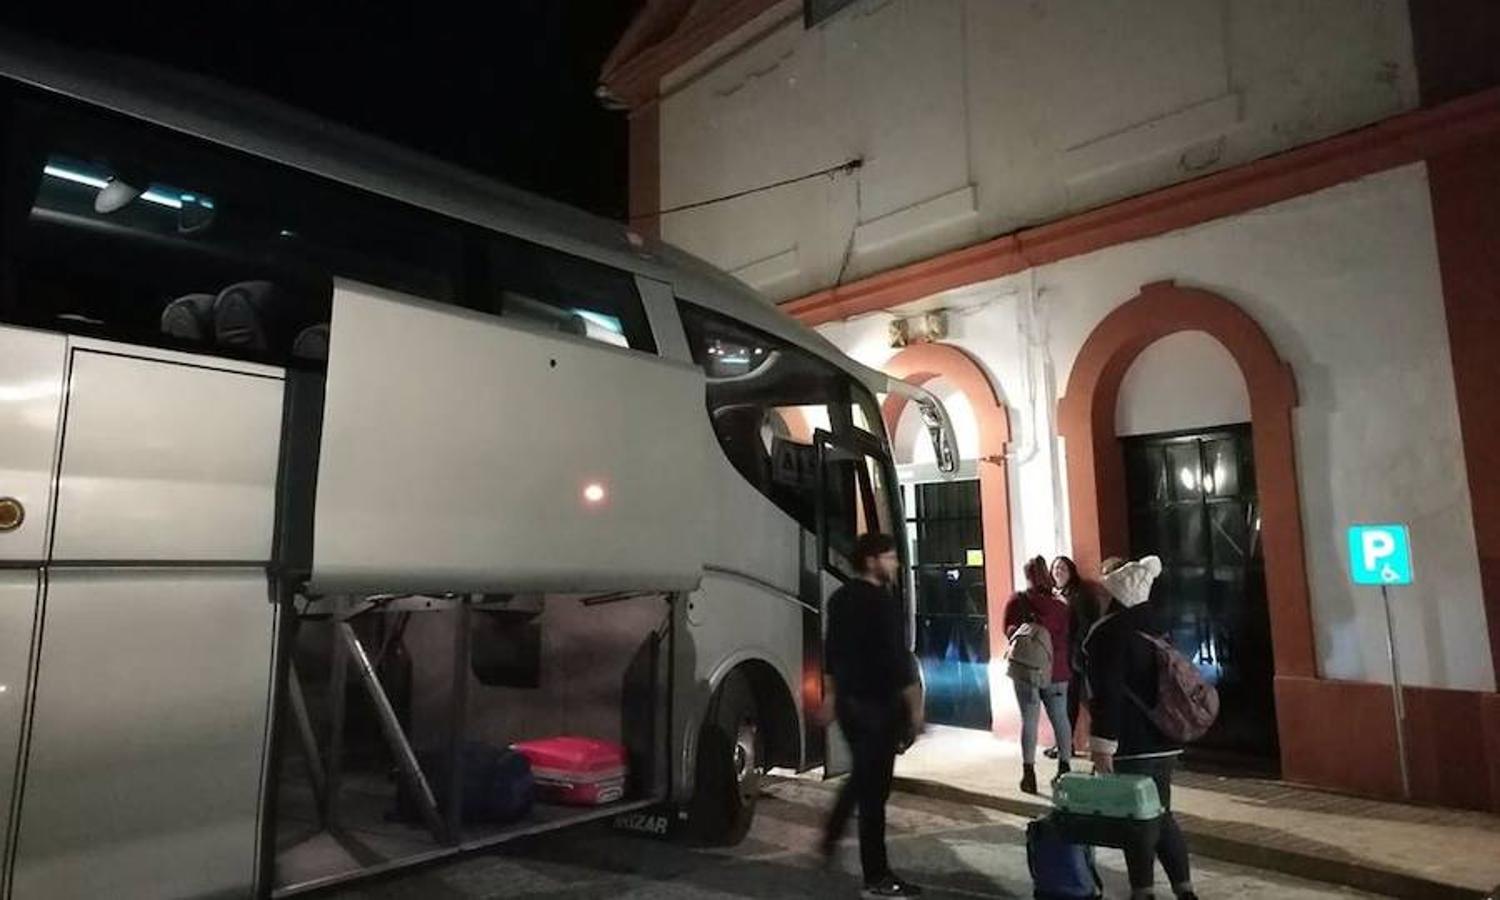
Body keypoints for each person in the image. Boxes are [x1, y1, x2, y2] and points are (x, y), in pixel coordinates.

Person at [819, 532, 925, 898]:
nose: (895, 563)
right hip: (879, 706)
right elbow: (898, 661)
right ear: (871, 561)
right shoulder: (882, 604)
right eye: (890, 557)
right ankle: (877, 876)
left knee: (864, 777)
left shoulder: (839, 598)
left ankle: (831, 834)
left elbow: (830, 651)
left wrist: (831, 697)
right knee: (874, 794)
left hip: (850, 705)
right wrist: (916, 708)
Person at [1086, 555, 1198, 900]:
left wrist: (1102, 744)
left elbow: (1107, 693)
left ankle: (1143, 891)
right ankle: (1185, 889)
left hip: (1131, 742)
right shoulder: (1159, 625)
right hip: (1166, 735)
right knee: (1161, 813)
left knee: (1135, 817)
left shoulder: (1108, 633)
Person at [1003, 556, 1072, 794]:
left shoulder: (1017, 601)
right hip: (1057, 670)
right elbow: (1067, 636)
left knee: (1029, 721)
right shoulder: (1060, 605)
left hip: (1027, 671)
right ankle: (1064, 767)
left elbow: (1008, 630)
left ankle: (1028, 773)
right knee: (1061, 718)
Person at [1052, 555, 1106, 750]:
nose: (1058, 572)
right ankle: (1064, 743)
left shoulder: (1079, 595)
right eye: (1056, 568)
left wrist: (1078, 648)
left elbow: (1085, 624)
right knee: (1065, 700)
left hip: (1075, 655)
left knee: (1080, 699)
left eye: (1063, 568)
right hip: (1058, 655)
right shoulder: (1053, 594)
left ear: (1071, 572)